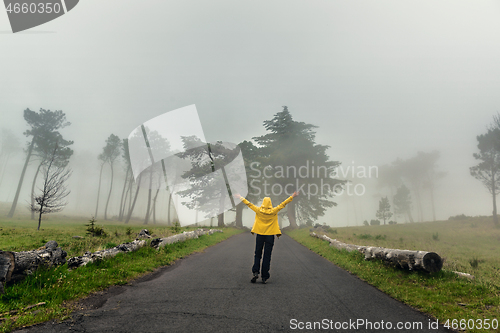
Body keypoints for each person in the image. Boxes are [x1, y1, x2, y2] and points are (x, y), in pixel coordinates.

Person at [234, 191, 299, 284]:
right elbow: (283, 204)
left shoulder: (258, 210)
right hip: (270, 236)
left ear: (263, 203)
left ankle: (255, 272)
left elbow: (248, 204)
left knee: (257, 254)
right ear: (270, 203)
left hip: (260, 235)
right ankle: (264, 276)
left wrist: (240, 197)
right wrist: (292, 196)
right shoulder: (273, 211)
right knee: (267, 256)